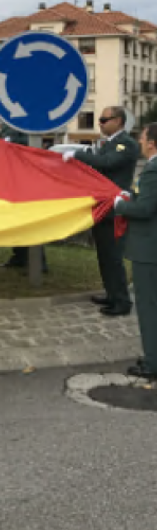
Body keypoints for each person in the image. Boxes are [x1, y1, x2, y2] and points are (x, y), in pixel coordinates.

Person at [64, 105, 141, 315]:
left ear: (118, 121)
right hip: (102, 206)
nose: (99, 123)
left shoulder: (127, 144)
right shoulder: (109, 143)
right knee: (104, 255)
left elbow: (106, 163)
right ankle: (111, 294)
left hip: (115, 209)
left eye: (104, 119)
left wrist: (79, 154)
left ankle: (122, 302)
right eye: (99, 119)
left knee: (114, 257)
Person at [115, 123, 157, 378]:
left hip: (149, 250)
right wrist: (130, 195)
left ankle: (152, 363)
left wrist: (121, 204)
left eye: (142, 139)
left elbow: (145, 210)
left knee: (148, 308)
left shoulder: (153, 170)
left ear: (152, 142)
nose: (140, 143)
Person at [0, 123, 51, 274]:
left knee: (31, 224)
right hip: (14, 182)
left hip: (27, 182)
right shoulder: (9, 125)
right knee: (18, 222)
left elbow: (26, 145)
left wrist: (6, 142)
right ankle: (19, 256)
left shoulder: (25, 126)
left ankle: (39, 262)